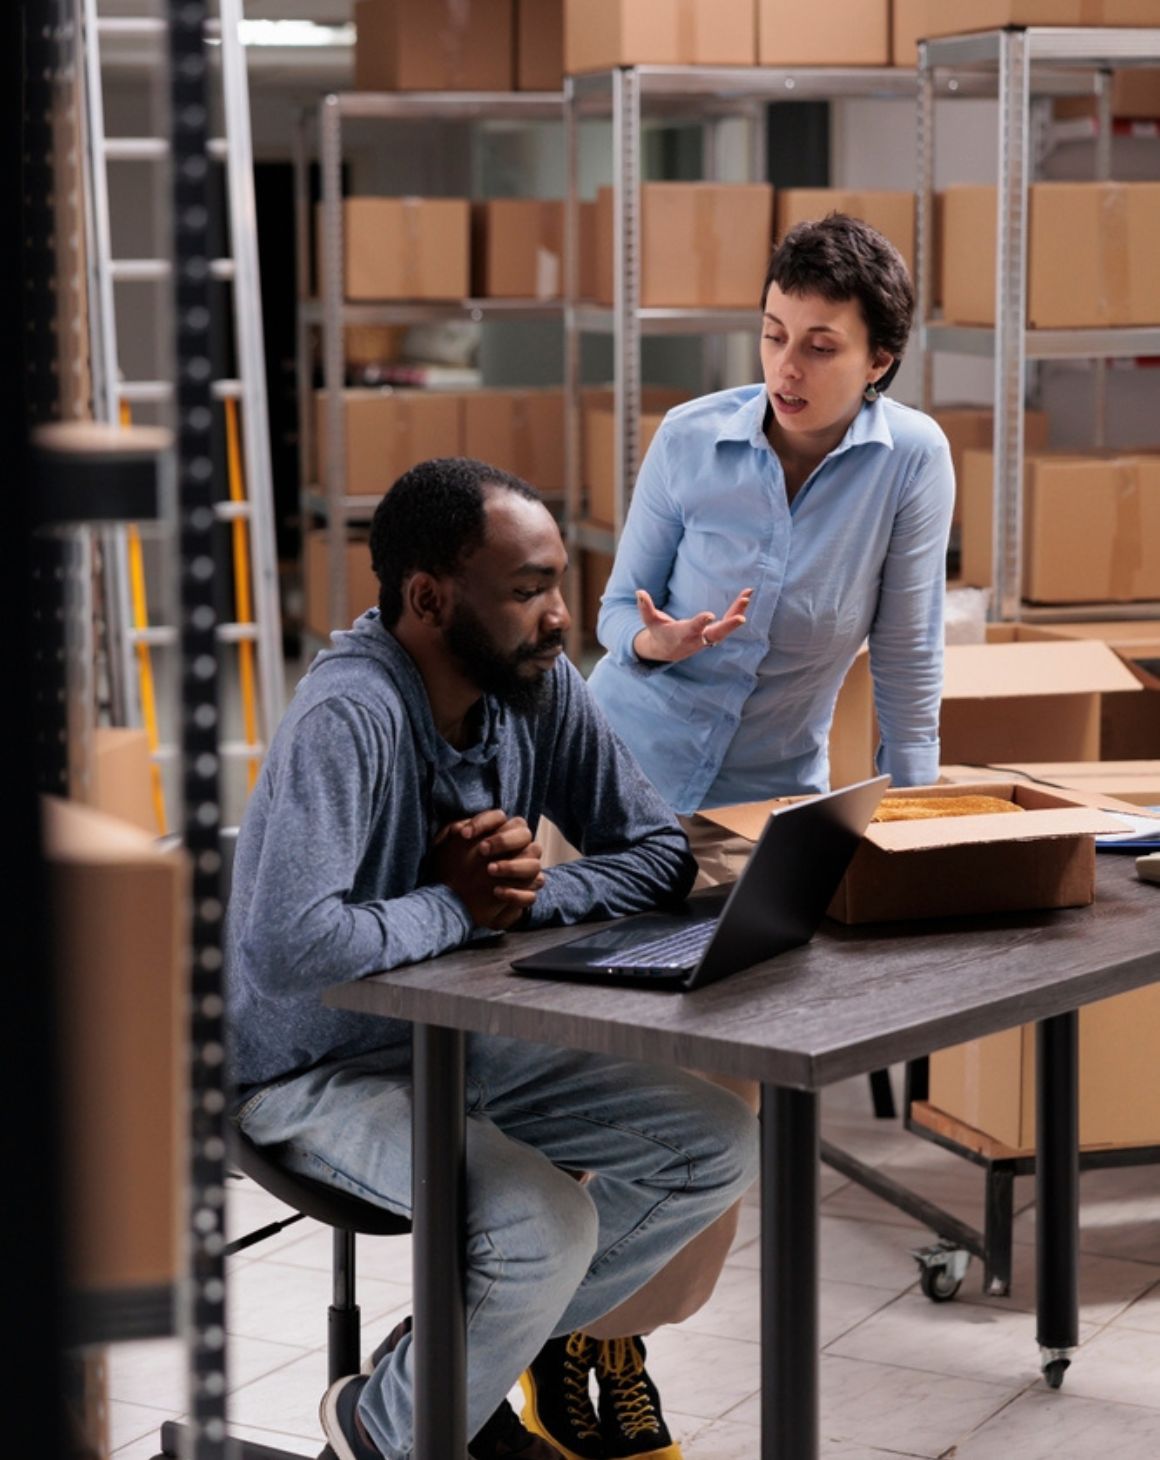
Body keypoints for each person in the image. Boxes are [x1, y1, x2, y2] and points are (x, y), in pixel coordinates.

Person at [225, 457, 759, 1460]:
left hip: (462, 1041)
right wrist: (455, 905)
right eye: (524, 590)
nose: (558, 616)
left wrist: (523, 896)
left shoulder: (538, 684)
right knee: (543, 1219)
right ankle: (402, 1423)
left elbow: (653, 851)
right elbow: (290, 944)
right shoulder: (350, 714)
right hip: (317, 1070)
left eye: (555, 581)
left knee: (713, 1142)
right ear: (429, 597)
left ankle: (418, 1381)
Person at [554, 213, 954, 1353]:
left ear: (877, 357)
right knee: (578, 1071)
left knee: (712, 1102)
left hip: (761, 812)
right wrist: (653, 643)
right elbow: (613, 608)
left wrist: (915, 813)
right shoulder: (689, 437)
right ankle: (519, 1334)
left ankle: (609, 1343)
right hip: (611, 788)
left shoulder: (909, 459)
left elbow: (909, 648)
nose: (786, 366)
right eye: (773, 333)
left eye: (820, 344)